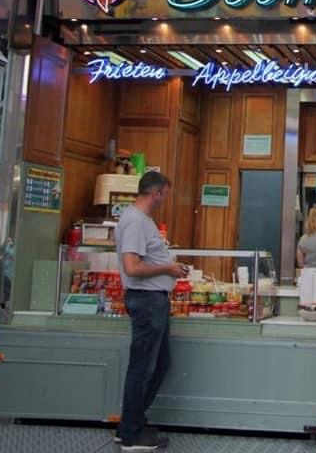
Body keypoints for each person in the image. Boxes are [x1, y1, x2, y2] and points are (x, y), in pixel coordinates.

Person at [115, 171, 188, 452]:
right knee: (143, 368)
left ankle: (130, 423)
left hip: (153, 300)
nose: (165, 199)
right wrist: (169, 268)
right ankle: (131, 434)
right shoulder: (135, 221)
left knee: (157, 364)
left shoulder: (141, 220)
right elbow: (132, 267)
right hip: (147, 301)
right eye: (165, 194)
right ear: (156, 193)